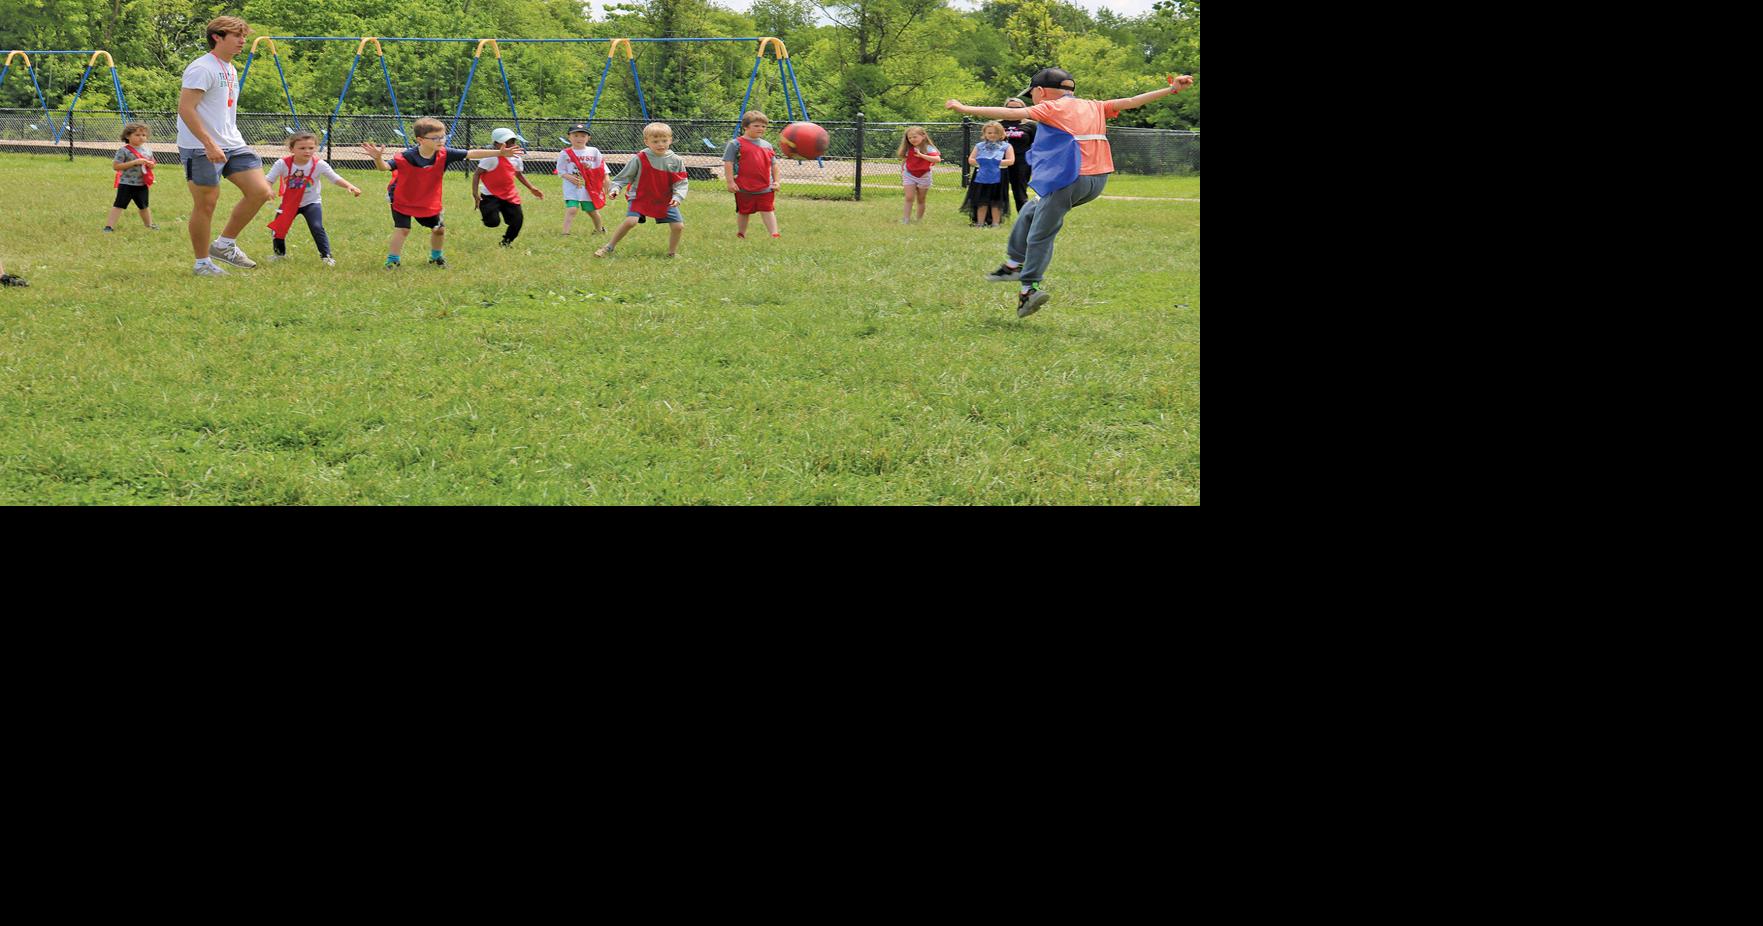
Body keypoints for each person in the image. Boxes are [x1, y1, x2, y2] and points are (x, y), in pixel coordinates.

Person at [947, 68, 1194, 317]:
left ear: (1040, 91)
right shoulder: (1093, 105)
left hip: (1070, 179)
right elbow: (1132, 101)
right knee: (1031, 210)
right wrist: (1173, 89)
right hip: (1097, 181)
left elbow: (1011, 113)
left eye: (1033, 93)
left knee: (1041, 232)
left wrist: (965, 108)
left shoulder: (1050, 107)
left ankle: (1028, 289)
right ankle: (1013, 264)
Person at [177, 15, 275, 276]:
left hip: (232, 143)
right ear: (217, 37)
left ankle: (224, 244)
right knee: (206, 204)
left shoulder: (230, 68)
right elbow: (186, 109)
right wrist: (208, 144)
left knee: (261, 191)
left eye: (244, 35)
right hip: (200, 147)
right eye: (237, 36)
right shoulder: (201, 68)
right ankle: (202, 264)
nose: (243, 41)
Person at [361, 117, 524, 269]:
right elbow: (385, 167)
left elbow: (471, 154)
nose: (441, 141)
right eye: (436, 138)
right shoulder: (407, 156)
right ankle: (392, 261)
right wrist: (377, 159)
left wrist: (500, 153)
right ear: (420, 140)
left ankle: (436, 258)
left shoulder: (445, 154)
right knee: (403, 229)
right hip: (402, 197)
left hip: (428, 199)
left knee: (439, 229)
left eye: (443, 137)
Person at [263, 131, 361, 265]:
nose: (307, 151)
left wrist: (350, 186)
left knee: (317, 227)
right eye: (302, 148)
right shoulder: (282, 164)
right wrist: (267, 189)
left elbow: (335, 178)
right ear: (292, 149)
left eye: (311, 148)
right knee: (279, 228)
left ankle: (326, 257)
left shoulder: (319, 164)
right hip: (290, 203)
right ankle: (279, 255)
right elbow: (268, 180)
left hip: (311, 203)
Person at [595, 122, 689, 259]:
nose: (660, 144)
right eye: (655, 141)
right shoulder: (640, 158)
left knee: (678, 226)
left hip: (664, 199)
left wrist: (678, 196)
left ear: (671, 140)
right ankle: (609, 247)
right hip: (640, 197)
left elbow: (681, 182)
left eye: (664, 140)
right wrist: (615, 188)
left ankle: (671, 253)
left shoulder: (676, 160)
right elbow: (623, 177)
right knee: (631, 221)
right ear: (646, 141)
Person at [471, 127, 544, 248]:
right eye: (505, 142)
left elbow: (518, 174)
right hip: (490, 196)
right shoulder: (490, 158)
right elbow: (477, 173)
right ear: (495, 144)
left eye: (512, 142)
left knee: (517, 221)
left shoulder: (516, 158)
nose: (510, 145)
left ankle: (506, 243)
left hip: (509, 195)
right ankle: (489, 211)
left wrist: (531, 188)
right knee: (492, 223)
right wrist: (475, 193)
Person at [722, 110, 781, 239]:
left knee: (768, 210)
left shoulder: (767, 145)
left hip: (766, 186)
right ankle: (741, 233)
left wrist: (776, 181)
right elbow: (728, 163)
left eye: (763, 126)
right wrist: (730, 182)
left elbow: (774, 165)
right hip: (744, 186)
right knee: (744, 211)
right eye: (756, 126)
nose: (761, 128)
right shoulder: (735, 144)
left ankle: (774, 234)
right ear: (745, 126)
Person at [958, 120, 1015, 228]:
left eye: (995, 133)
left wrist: (994, 162)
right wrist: (983, 162)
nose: (992, 135)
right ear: (984, 134)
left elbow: (1011, 160)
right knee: (981, 200)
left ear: (1001, 134)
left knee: (996, 201)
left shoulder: (1006, 146)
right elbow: (971, 159)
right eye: (989, 133)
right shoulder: (979, 146)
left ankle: (995, 223)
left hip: (999, 175)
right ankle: (979, 223)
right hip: (981, 176)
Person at [105, 122, 159, 234]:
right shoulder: (123, 151)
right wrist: (134, 162)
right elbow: (116, 166)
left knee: (144, 206)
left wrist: (151, 165)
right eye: (137, 135)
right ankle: (109, 226)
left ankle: (149, 225)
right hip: (126, 184)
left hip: (142, 184)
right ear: (128, 136)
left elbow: (152, 163)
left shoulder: (147, 150)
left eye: (144, 135)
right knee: (119, 205)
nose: (141, 137)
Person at [557, 124, 607, 235]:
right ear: (569, 137)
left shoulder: (594, 151)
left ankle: (599, 229)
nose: (579, 138)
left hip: (588, 187)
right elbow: (560, 170)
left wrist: (590, 169)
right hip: (572, 186)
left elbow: (601, 168)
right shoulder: (565, 153)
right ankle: (565, 233)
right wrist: (569, 177)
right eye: (575, 135)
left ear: (588, 138)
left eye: (583, 136)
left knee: (591, 211)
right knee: (572, 209)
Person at [896, 126, 941, 224]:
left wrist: (921, 155)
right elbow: (905, 160)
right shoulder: (909, 148)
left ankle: (918, 220)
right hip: (909, 174)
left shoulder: (929, 148)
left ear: (923, 136)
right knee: (909, 197)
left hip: (924, 176)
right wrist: (902, 170)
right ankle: (906, 219)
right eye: (909, 138)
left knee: (921, 199)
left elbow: (937, 159)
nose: (912, 139)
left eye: (914, 137)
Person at [1000, 97, 1037, 212]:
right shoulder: (997, 124)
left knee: (1020, 192)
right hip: (1000, 161)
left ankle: (1023, 218)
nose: (1014, 110)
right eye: (1010, 108)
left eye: (1018, 108)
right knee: (995, 190)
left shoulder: (1031, 125)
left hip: (1022, 162)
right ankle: (993, 219)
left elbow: (1036, 145)